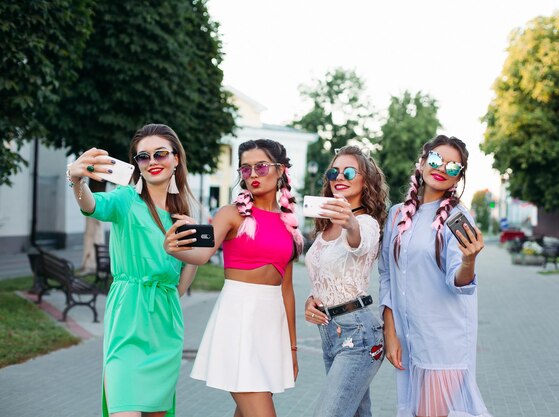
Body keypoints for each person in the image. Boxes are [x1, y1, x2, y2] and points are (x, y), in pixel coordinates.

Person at [65, 123, 198, 417]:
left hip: (165, 322)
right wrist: (76, 181)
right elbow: (91, 206)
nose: (152, 162)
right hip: (127, 316)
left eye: (160, 154)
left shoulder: (185, 212)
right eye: (143, 157)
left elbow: (191, 263)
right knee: (123, 408)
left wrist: (172, 295)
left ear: (176, 158)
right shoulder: (126, 199)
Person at [164, 139, 302, 417]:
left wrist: (292, 347)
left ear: (281, 170)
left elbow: (286, 289)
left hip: (271, 326)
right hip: (239, 319)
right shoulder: (231, 214)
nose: (253, 175)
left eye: (261, 167)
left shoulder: (289, 222)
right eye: (246, 169)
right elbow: (202, 255)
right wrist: (174, 249)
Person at [379, 135, 491, 417]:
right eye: (436, 159)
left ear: (457, 179)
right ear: (422, 161)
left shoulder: (457, 217)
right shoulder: (396, 215)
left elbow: (460, 282)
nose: (442, 168)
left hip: (443, 342)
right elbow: (386, 276)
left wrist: (469, 260)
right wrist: (390, 333)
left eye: (453, 167)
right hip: (409, 339)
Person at [304, 146, 389, 417]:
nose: (340, 176)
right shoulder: (325, 226)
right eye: (334, 171)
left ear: (366, 180)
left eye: (349, 171)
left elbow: (358, 242)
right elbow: (325, 274)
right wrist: (312, 299)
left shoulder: (366, 223)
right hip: (330, 331)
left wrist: (350, 222)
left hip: (359, 334)